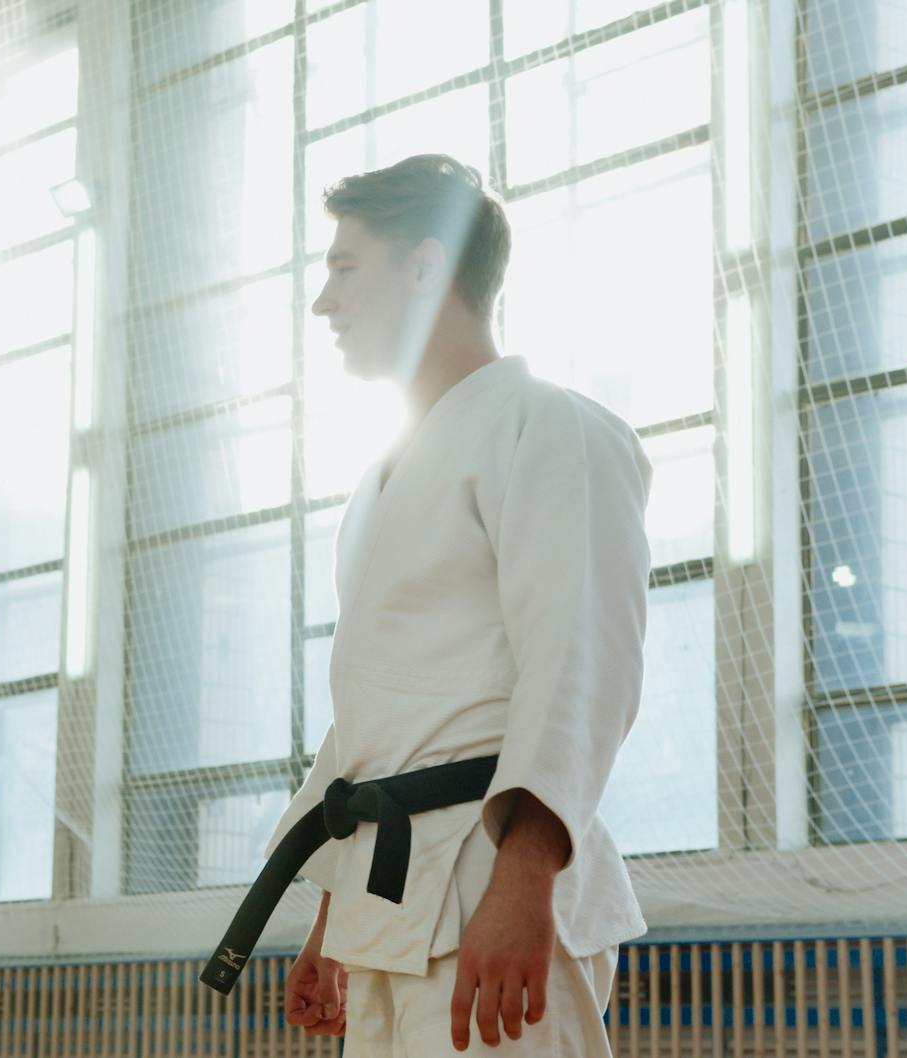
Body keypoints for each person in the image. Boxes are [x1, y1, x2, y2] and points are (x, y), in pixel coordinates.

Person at [276, 155, 651, 1054]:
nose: (323, 302)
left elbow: (580, 664)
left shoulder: (550, 426)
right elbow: (372, 718)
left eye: (344, 268)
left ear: (425, 267)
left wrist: (524, 883)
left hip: (492, 879)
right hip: (388, 905)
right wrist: (332, 914)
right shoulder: (378, 483)